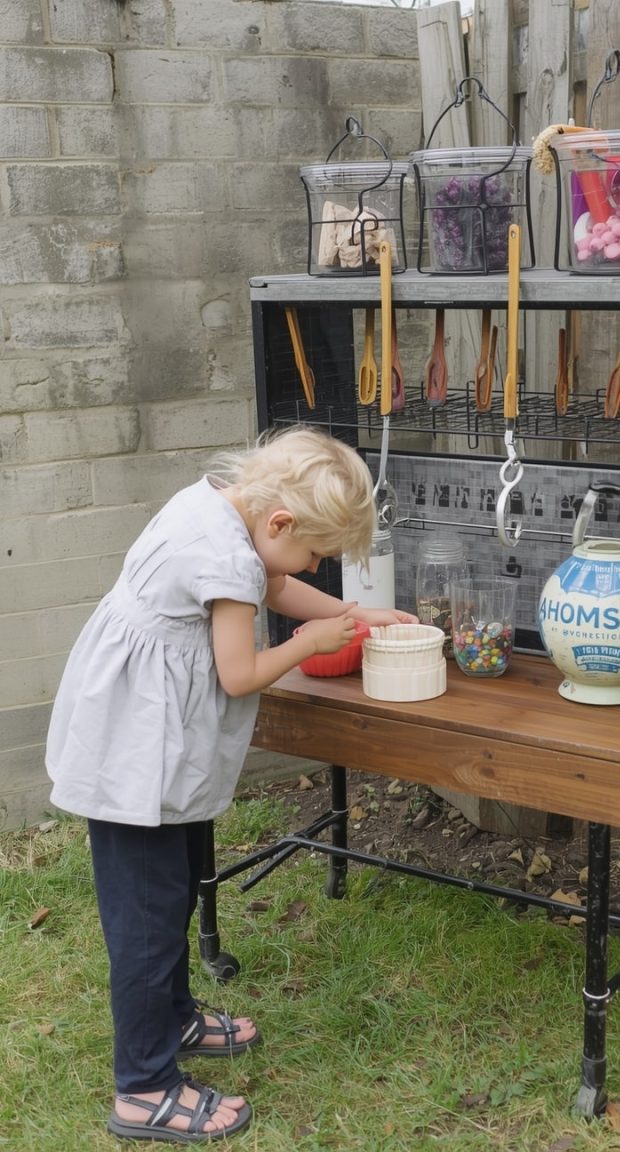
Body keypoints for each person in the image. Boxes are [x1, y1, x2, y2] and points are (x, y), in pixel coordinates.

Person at [46, 424, 417, 1143]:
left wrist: (351, 614)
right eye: (317, 554)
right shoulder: (224, 556)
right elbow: (239, 673)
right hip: (133, 762)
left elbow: (273, 580)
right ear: (279, 523)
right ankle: (143, 1088)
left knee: (176, 893)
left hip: (153, 748)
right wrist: (309, 643)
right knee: (147, 925)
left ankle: (174, 1019)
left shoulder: (223, 510)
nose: (316, 568)